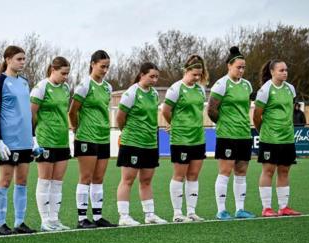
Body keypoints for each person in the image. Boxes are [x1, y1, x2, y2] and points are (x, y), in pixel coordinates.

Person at [0, 45, 38, 235]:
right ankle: (1, 223)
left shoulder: (25, 82)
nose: (22, 62)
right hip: (8, 141)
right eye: (19, 59)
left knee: (22, 181)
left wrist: (34, 137)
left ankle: (20, 222)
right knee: (4, 180)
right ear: (8, 59)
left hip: (25, 140)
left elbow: (27, 111)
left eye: (23, 59)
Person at [68, 50, 117, 228]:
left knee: (99, 178)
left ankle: (97, 217)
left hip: (103, 137)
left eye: (107, 67)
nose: (105, 70)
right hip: (87, 137)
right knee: (86, 177)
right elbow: (72, 111)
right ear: (92, 64)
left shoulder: (108, 87)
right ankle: (82, 219)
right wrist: (76, 128)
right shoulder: (84, 86)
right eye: (102, 66)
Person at [115, 62, 167, 226]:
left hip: (150, 143)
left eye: (157, 77)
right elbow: (120, 118)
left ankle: (149, 214)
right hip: (132, 142)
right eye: (151, 76)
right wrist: (127, 133)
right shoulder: (131, 93)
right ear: (142, 74)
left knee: (146, 180)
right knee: (128, 179)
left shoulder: (153, 94)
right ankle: (124, 216)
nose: (154, 80)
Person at [207, 46, 256, 220]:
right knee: (225, 171)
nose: (241, 70)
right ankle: (221, 210)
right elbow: (212, 110)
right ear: (229, 66)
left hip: (244, 134)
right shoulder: (221, 84)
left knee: (241, 172)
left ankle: (240, 209)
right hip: (227, 135)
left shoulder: (247, 85)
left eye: (243, 67)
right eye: (238, 67)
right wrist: (224, 123)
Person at [162, 54, 208, 223]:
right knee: (179, 175)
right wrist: (173, 124)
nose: (197, 78)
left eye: (199, 75)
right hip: (181, 139)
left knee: (194, 175)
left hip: (198, 138)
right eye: (194, 74)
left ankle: (191, 212)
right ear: (186, 71)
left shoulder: (200, 90)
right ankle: (177, 213)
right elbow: (166, 111)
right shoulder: (175, 89)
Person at [253, 60, 301, 217]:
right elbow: (256, 116)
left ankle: (283, 207)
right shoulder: (265, 90)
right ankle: (266, 208)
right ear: (272, 72)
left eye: (286, 70)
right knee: (268, 171)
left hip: (287, 137)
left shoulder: (291, 89)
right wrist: (264, 132)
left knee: (284, 171)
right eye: (281, 70)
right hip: (270, 138)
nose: (285, 72)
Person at [31, 57, 72, 231]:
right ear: (52, 70)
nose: (66, 77)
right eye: (63, 73)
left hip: (62, 140)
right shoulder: (41, 88)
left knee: (57, 182)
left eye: (67, 73)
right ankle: (45, 220)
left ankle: (55, 219)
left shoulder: (66, 88)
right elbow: (31, 114)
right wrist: (33, 139)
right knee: (45, 180)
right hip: (45, 139)